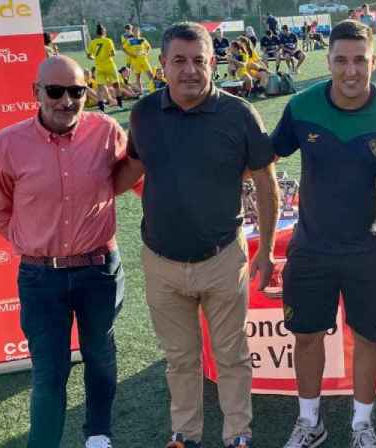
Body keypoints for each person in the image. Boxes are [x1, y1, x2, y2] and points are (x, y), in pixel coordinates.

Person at [115, 22, 280, 448]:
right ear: (162, 65)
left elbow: (266, 182)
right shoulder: (144, 113)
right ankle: (185, 436)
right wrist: (85, 188)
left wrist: (266, 251)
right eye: (180, 61)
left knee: (232, 357)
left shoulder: (239, 113)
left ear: (213, 62)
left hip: (222, 256)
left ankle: (238, 435)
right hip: (161, 260)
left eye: (199, 61)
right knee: (180, 359)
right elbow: (133, 165)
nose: (190, 70)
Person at [274, 20, 376, 448]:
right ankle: (310, 423)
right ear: (329, 61)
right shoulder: (301, 107)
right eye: (341, 60)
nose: (350, 70)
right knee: (306, 336)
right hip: (311, 248)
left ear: (373, 60)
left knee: (368, 336)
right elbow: (270, 153)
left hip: (369, 251)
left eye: (360, 60)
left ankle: (361, 426)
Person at [0, 55, 126, 448]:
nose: (66, 100)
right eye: (55, 91)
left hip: (99, 270)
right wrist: (37, 245)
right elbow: (0, 211)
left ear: (87, 92)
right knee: (50, 372)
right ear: (36, 92)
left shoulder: (107, 131)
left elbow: (135, 175)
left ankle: (98, 434)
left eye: (77, 91)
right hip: (40, 277)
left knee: (101, 357)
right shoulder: (6, 145)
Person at [86, 24, 122, 111]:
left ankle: (101, 108)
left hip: (99, 67)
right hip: (109, 65)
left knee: (100, 87)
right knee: (116, 85)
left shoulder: (92, 42)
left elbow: (89, 55)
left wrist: (95, 58)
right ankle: (120, 105)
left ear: (97, 33)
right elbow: (113, 53)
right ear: (104, 32)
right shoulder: (108, 41)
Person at [127, 26, 154, 95]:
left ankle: (153, 89)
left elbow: (148, 47)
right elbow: (123, 49)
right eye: (135, 31)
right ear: (132, 32)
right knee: (138, 77)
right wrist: (131, 55)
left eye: (137, 31)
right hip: (135, 61)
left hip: (144, 59)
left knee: (150, 75)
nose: (136, 32)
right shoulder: (130, 41)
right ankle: (141, 91)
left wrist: (146, 53)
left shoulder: (143, 40)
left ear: (139, 32)